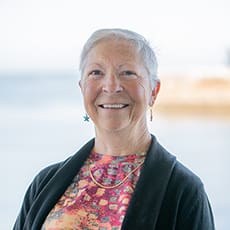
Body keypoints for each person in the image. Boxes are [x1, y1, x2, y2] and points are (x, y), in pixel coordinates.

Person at [13, 28, 215, 230]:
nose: (111, 86)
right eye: (96, 73)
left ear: (154, 91)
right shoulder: (44, 183)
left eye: (127, 73)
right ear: (82, 88)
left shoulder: (184, 190)